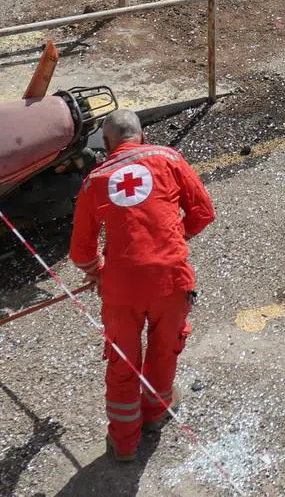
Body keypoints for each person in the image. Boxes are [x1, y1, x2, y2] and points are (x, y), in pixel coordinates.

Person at [68, 109, 215, 463]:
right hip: (171, 279)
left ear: (106, 144)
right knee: (165, 349)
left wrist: (98, 271)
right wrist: (175, 239)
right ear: (141, 136)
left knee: (123, 363)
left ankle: (123, 444)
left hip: (121, 289)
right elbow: (203, 212)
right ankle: (155, 413)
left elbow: (80, 251)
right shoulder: (168, 158)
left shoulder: (94, 180)